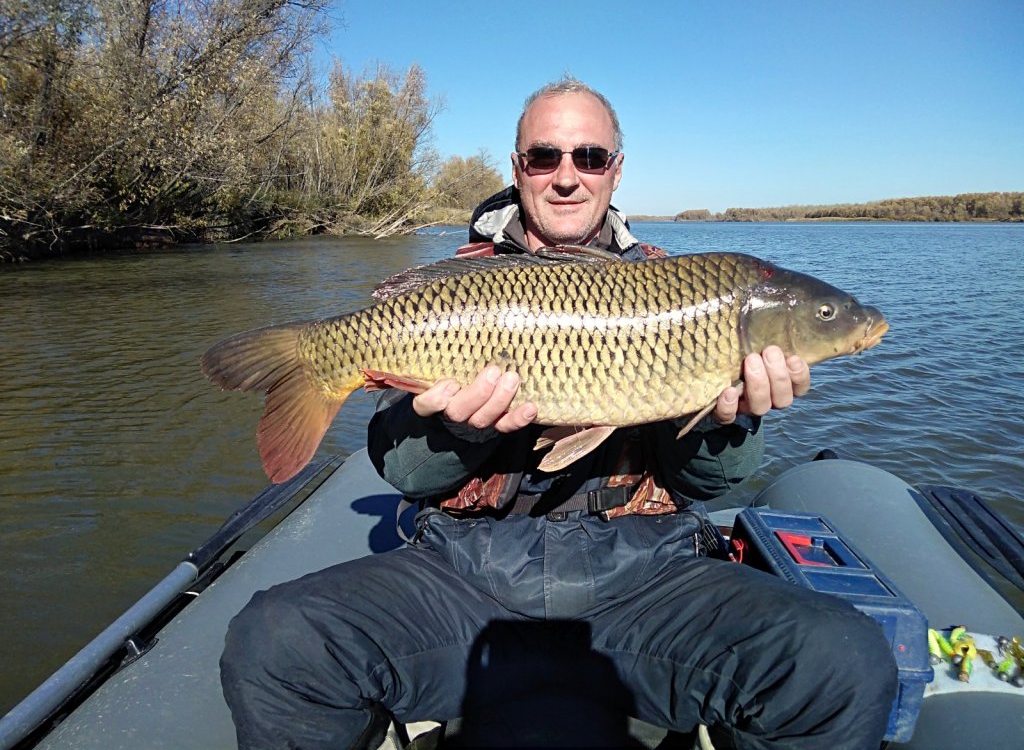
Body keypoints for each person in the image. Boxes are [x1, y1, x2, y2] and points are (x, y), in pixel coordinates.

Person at [220, 78, 898, 749]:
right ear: (518, 169)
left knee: (846, 658)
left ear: (615, 171)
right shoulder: (459, 285)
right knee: (275, 639)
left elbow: (707, 488)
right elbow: (407, 477)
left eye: (590, 157)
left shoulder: (691, 285)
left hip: (649, 578)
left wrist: (729, 423)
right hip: (465, 576)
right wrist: (456, 429)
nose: (567, 176)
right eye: (545, 157)